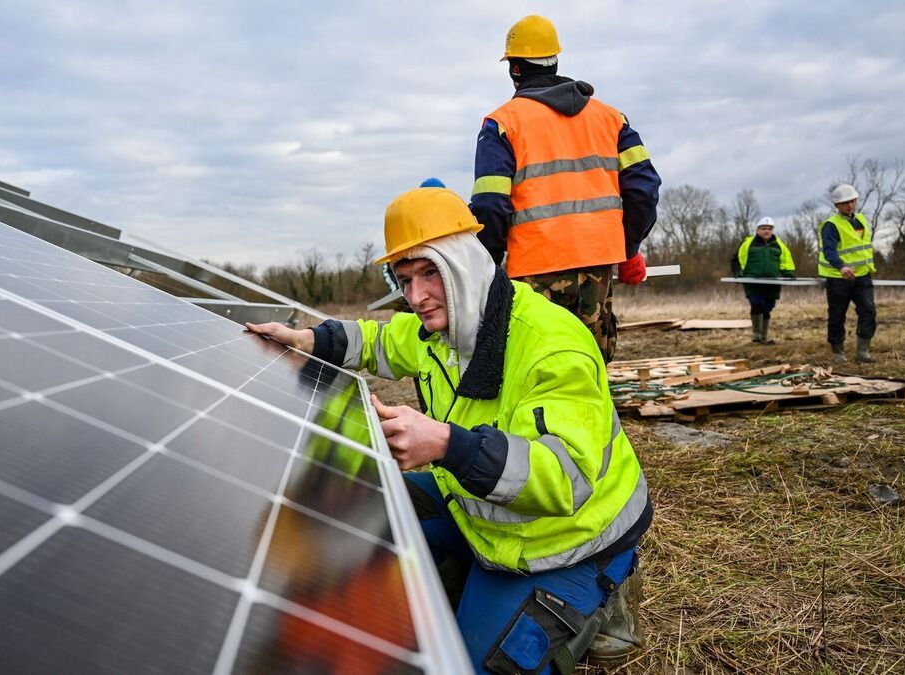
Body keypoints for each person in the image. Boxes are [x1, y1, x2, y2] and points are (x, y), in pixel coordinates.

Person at [247, 187, 653, 673]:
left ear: (463, 261)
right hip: (480, 515)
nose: (416, 297)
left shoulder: (553, 343)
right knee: (362, 502)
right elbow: (379, 339)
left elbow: (564, 477)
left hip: (567, 544)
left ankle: (605, 599)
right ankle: (461, 572)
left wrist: (444, 445)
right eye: (404, 280)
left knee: (466, 665)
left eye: (429, 272)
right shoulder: (435, 329)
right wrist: (310, 339)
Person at [469, 15, 661, 363]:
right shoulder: (612, 118)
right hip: (598, 265)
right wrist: (628, 247)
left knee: (539, 366)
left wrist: (489, 267)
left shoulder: (502, 124)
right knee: (591, 367)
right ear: (555, 60)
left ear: (514, 69)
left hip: (532, 270)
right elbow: (644, 189)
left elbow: (489, 205)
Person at [818, 183, 877, 363]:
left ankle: (863, 350)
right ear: (837, 205)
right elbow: (829, 251)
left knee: (868, 311)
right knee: (837, 315)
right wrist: (841, 266)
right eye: (845, 203)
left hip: (862, 276)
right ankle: (837, 351)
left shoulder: (861, 220)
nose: (850, 205)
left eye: (852, 201)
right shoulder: (831, 225)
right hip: (839, 278)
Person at [731, 217, 796, 344]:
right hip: (752, 281)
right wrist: (738, 273)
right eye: (763, 229)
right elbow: (736, 260)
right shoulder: (748, 243)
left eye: (769, 229)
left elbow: (785, 263)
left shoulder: (779, 245)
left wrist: (788, 274)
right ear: (758, 230)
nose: (766, 231)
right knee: (756, 303)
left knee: (767, 307)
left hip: (772, 282)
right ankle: (756, 335)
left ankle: (764, 337)